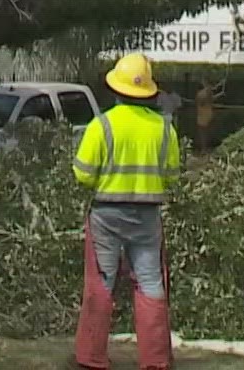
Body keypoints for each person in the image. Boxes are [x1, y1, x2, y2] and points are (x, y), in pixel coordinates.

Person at [73, 53, 183, 370]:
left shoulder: (102, 125)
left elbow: (82, 173)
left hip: (106, 215)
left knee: (102, 285)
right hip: (147, 217)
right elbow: (172, 175)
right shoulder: (164, 130)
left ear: (116, 88)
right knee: (150, 284)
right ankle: (156, 360)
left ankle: (91, 358)